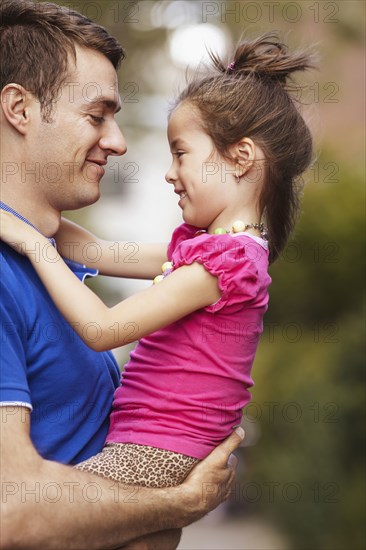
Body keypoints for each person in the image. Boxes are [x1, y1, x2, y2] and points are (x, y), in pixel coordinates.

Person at [1, 23, 315, 535]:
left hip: (156, 451)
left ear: (240, 158)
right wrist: (32, 209)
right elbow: (95, 251)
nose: (169, 173)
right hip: (153, 444)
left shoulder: (223, 265)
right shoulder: (206, 251)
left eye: (181, 153)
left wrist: (32, 243)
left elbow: (104, 330)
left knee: (57, 519)